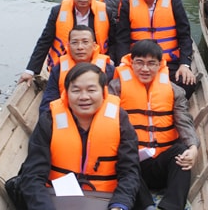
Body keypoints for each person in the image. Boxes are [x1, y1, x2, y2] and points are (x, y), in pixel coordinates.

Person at [15, 62, 141, 210]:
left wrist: (119, 205)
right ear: (66, 93)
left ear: (104, 92)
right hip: (55, 199)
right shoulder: (49, 120)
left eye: (91, 90)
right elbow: (33, 175)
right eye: (76, 90)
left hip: (105, 200)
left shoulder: (120, 120)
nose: (84, 97)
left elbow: (129, 172)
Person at [109, 40, 199, 210]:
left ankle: (171, 206)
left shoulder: (174, 91)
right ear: (131, 63)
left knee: (181, 151)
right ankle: (147, 206)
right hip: (133, 164)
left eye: (151, 64)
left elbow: (185, 122)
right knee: (120, 159)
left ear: (159, 66)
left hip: (161, 162)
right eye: (139, 63)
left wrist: (193, 148)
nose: (145, 69)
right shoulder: (115, 89)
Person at [18, 0, 117, 86]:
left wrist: (112, 61)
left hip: (96, 64)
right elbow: (45, 41)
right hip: (65, 64)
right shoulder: (58, 11)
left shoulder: (105, 12)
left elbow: (113, 41)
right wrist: (30, 70)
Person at [116, 0, 196, 98]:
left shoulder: (173, 0)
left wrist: (185, 64)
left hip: (169, 62)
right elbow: (122, 39)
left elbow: (184, 36)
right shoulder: (127, 4)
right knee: (119, 86)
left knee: (187, 83)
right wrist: (124, 63)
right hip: (138, 64)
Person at [39, 25, 115, 114]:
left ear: (94, 45)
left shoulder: (108, 69)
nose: (80, 47)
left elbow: (114, 100)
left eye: (85, 42)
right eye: (74, 43)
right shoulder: (58, 70)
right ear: (68, 46)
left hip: (101, 118)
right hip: (68, 118)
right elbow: (48, 102)